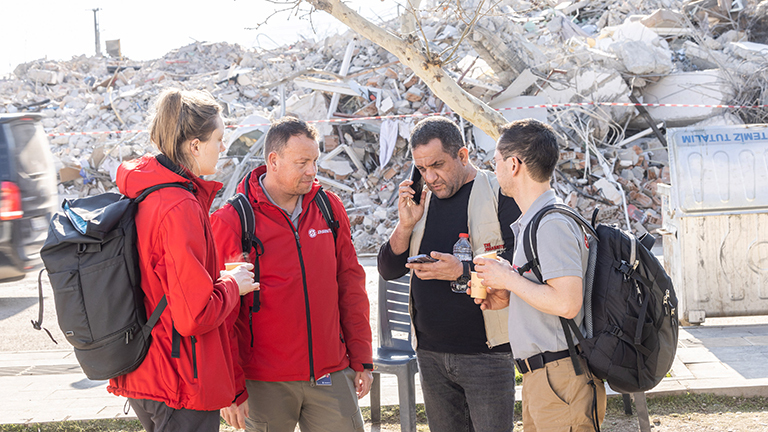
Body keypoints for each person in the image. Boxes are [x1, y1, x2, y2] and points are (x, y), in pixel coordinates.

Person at [107, 88, 259, 432]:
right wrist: (233, 285)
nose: (223, 147)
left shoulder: (147, 191)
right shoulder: (180, 206)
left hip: (147, 365)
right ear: (194, 145)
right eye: (218, 139)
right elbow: (195, 315)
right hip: (181, 375)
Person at [211, 117, 373, 432]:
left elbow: (351, 287)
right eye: (302, 162)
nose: (312, 171)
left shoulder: (329, 207)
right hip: (264, 381)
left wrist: (362, 358)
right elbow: (223, 315)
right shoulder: (233, 221)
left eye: (314, 161)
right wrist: (231, 387)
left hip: (331, 370)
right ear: (273, 160)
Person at [377, 116, 519, 432]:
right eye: (422, 169)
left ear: (463, 155)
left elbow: (520, 267)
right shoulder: (421, 201)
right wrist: (406, 224)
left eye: (437, 165)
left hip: (487, 355)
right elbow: (387, 269)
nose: (430, 177)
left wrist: (462, 271)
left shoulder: (499, 194)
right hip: (430, 354)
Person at [472, 118, 607, 431]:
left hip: (560, 377)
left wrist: (510, 280)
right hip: (545, 378)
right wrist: (511, 294)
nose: (494, 170)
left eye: (496, 161)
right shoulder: (537, 221)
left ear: (514, 164)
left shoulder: (551, 225)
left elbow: (567, 303)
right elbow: (550, 295)